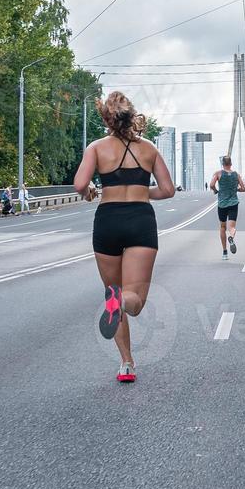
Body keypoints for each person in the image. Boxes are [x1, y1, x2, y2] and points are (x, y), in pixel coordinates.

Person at [74, 91, 175, 383]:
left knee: (112, 291)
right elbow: (168, 190)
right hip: (140, 221)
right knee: (135, 300)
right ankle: (121, 300)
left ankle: (126, 364)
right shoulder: (149, 149)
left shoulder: (96, 147)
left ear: (106, 118)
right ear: (131, 115)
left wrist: (91, 190)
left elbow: (80, 184)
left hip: (107, 221)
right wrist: (144, 192)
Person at [210, 155, 242, 260]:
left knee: (223, 227)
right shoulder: (236, 174)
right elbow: (243, 188)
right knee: (232, 227)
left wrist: (215, 190)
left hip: (222, 204)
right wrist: (235, 190)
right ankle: (231, 237)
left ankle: (224, 252)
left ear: (222, 164)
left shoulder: (218, 173)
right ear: (231, 164)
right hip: (233, 203)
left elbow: (211, 184)